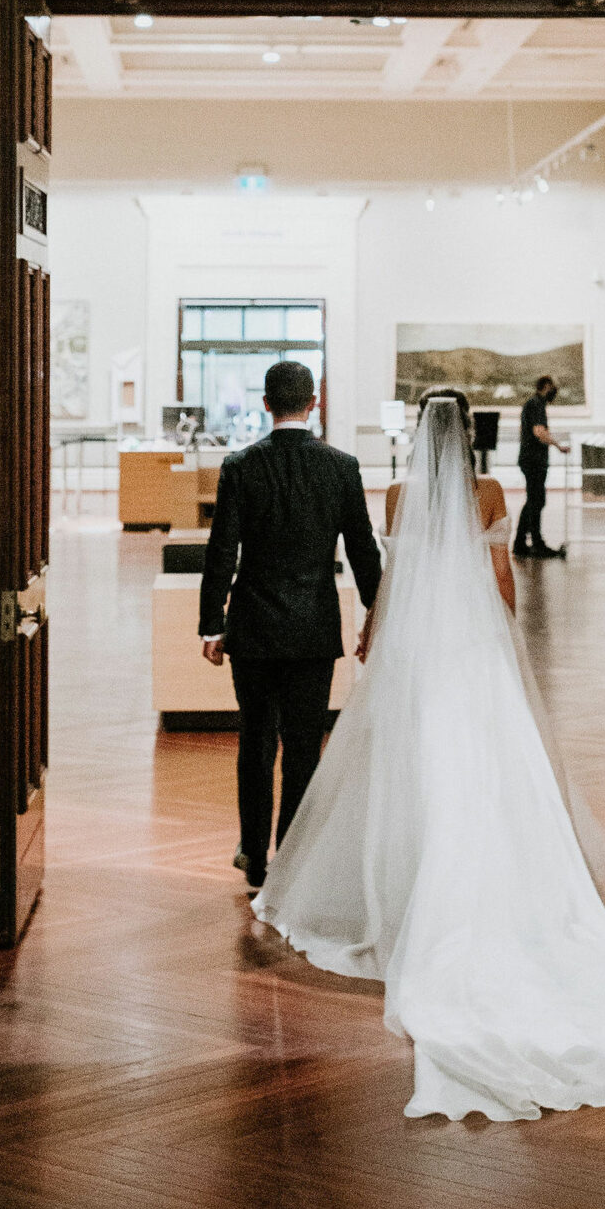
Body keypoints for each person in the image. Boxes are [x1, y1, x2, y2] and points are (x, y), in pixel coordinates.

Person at [253, 390, 605, 1121]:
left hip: (417, 657)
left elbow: (394, 578)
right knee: (491, 771)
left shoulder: (399, 493)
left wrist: (376, 633)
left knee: (417, 770)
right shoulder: (489, 490)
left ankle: (412, 888)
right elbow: (499, 583)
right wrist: (502, 643)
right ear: (466, 436)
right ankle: (504, 886)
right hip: (473, 656)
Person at [199, 359, 382, 893]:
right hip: (313, 628)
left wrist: (212, 623)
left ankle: (253, 855)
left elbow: (221, 553)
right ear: (314, 402)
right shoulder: (342, 467)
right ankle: (294, 855)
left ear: (266, 403)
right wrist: (378, 614)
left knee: (255, 740)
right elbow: (363, 551)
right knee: (303, 745)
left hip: (253, 627)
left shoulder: (241, 465)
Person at [514, 373, 569, 559]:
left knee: (534, 500)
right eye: (553, 386)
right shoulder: (537, 404)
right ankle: (535, 543)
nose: (554, 391)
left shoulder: (533, 404)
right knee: (536, 501)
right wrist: (558, 445)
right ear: (546, 386)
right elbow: (539, 432)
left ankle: (521, 543)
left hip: (530, 459)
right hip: (534, 460)